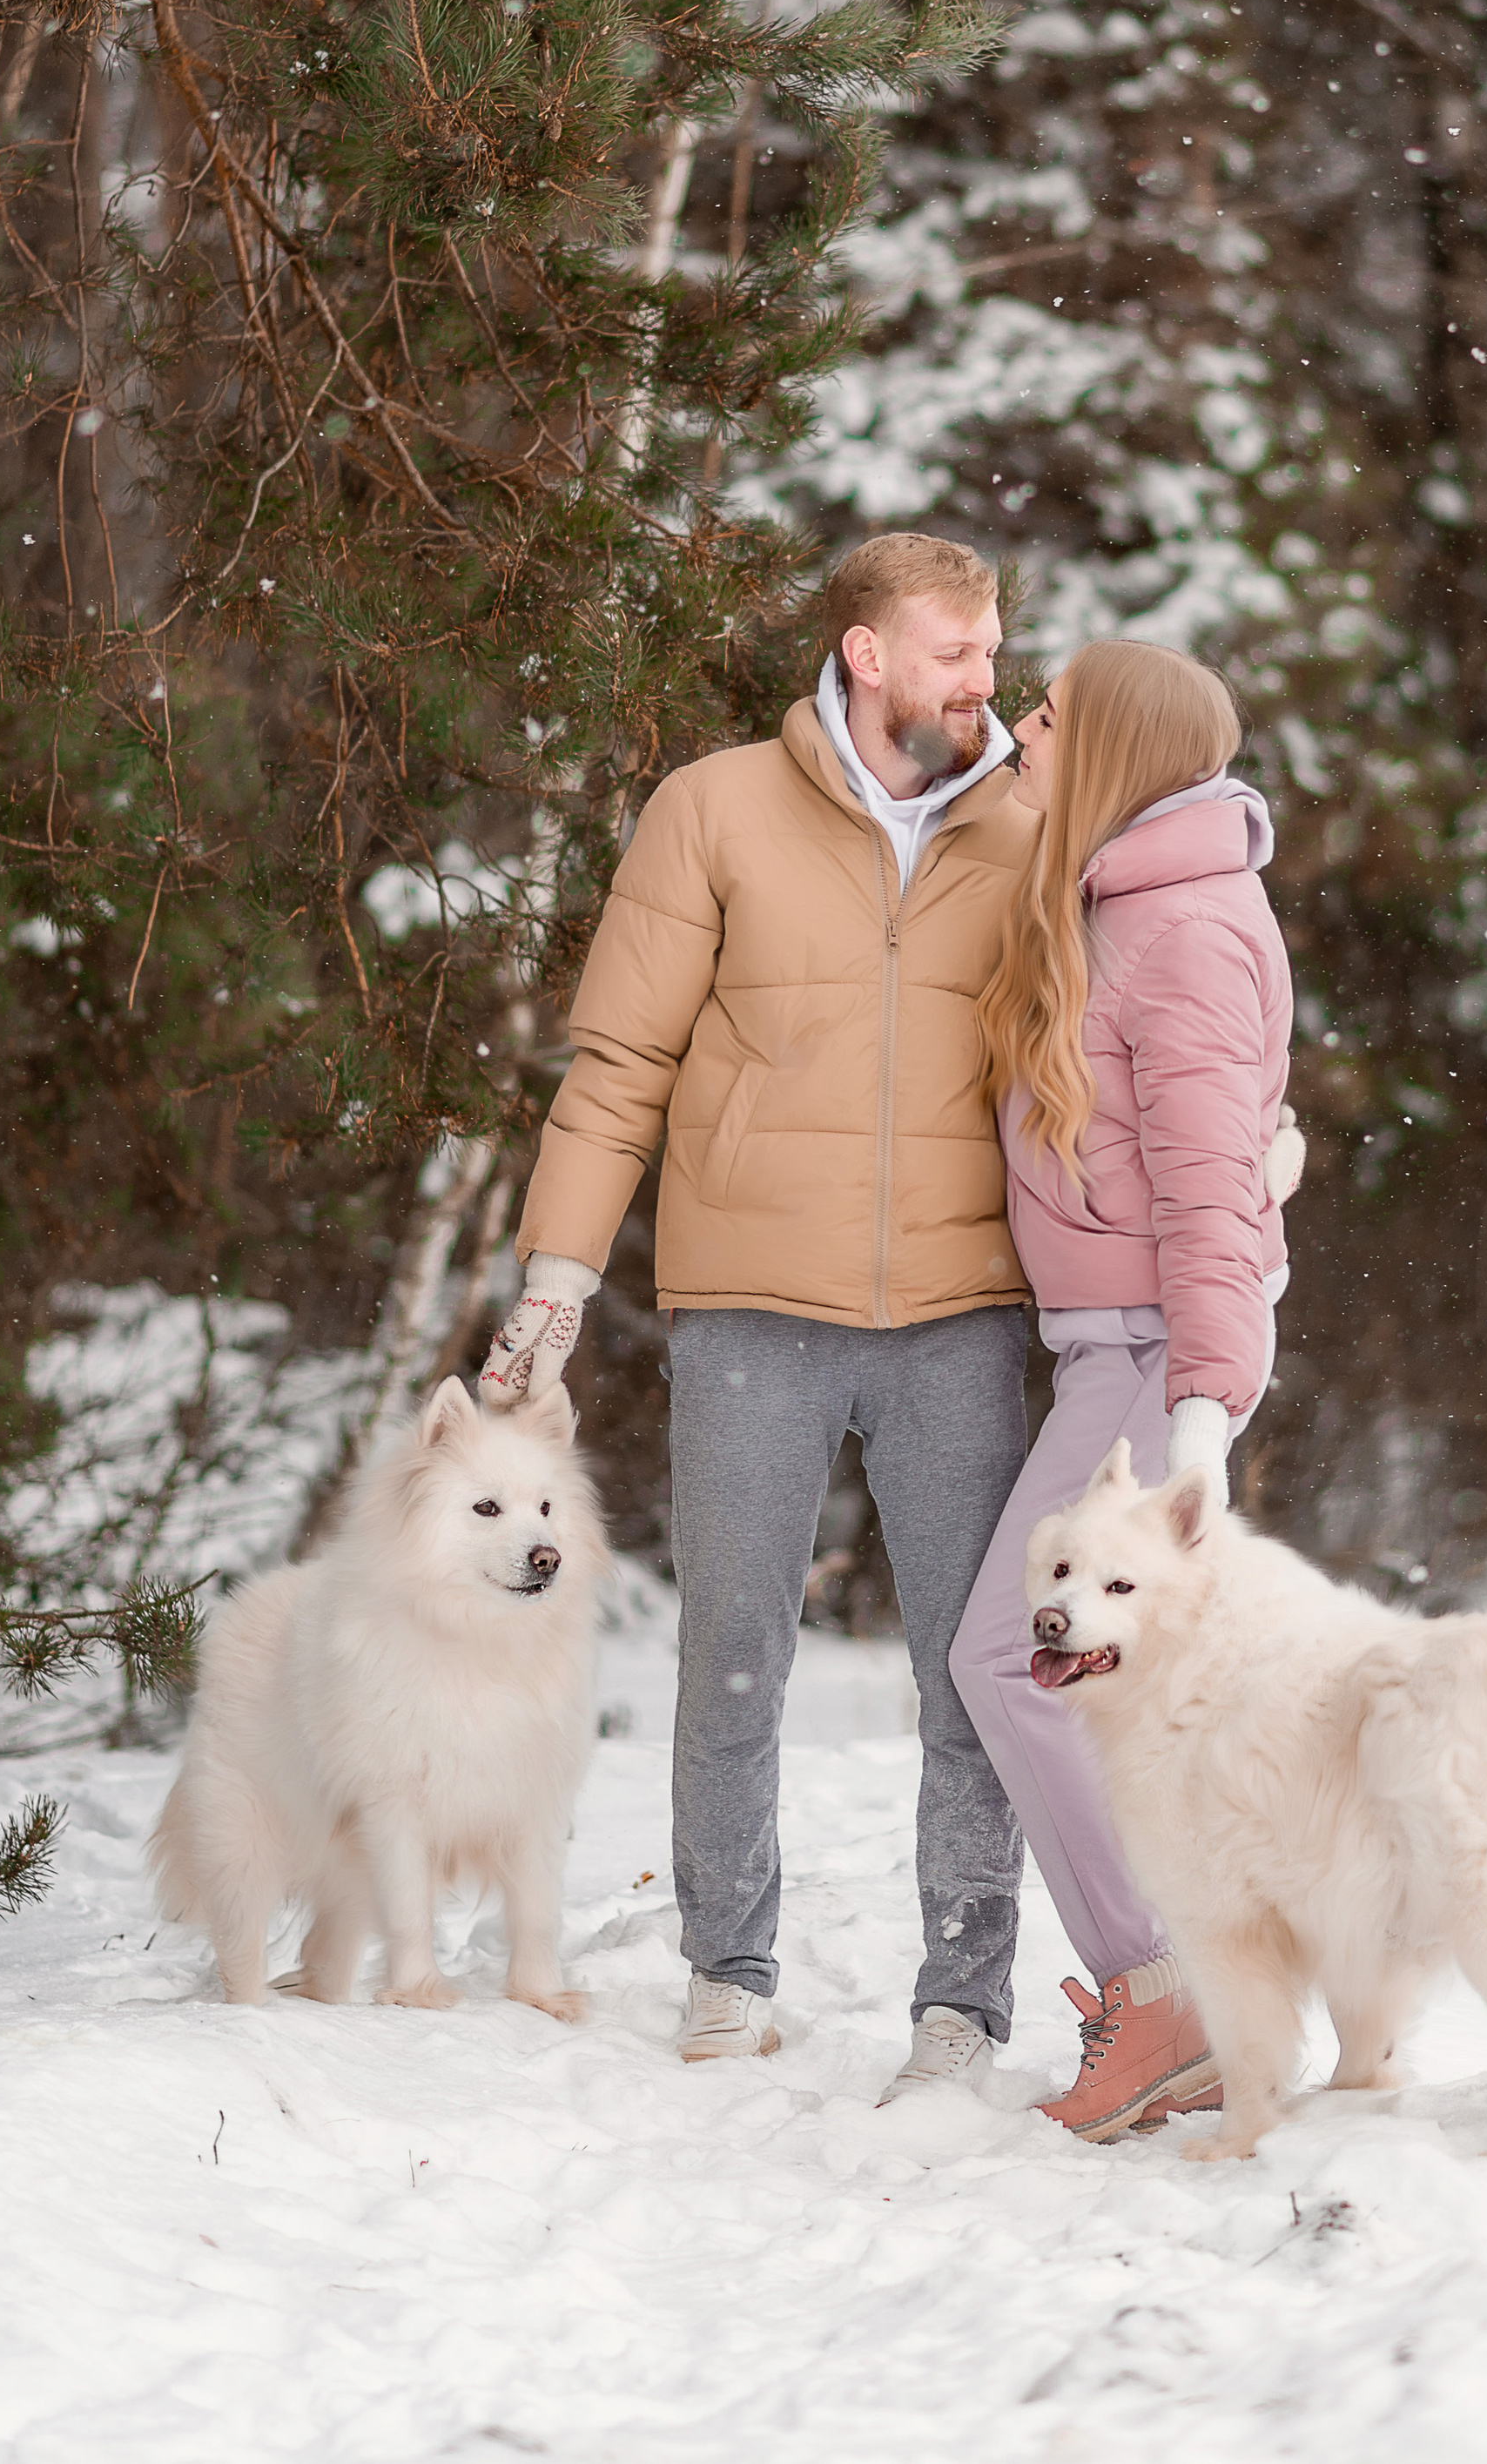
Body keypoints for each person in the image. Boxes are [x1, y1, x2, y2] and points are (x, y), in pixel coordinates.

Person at [479, 533, 1037, 2097]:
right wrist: (556, 1280)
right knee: (733, 1652)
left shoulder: (1036, 814)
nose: (983, 678)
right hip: (748, 1308)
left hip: (962, 1308)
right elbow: (618, 1069)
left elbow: (1137, 1020)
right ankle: (726, 1968)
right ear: (865, 652)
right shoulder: (712, 807)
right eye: (953, 650)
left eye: (991, 646)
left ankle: (965, 1997)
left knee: (973, 1669)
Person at [949, 639, 1297, 2140]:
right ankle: (1199, 1987)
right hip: (1119, 1342)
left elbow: (1215, 1193)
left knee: (1018, 1659)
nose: (1021, 729)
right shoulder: (1124, 900)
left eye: (1047, 713)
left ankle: (1172, 1995)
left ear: (1111, 750)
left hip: (1163, 1352)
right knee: (1079, 1679)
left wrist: (1205, 1413)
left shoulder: (1184, 929)